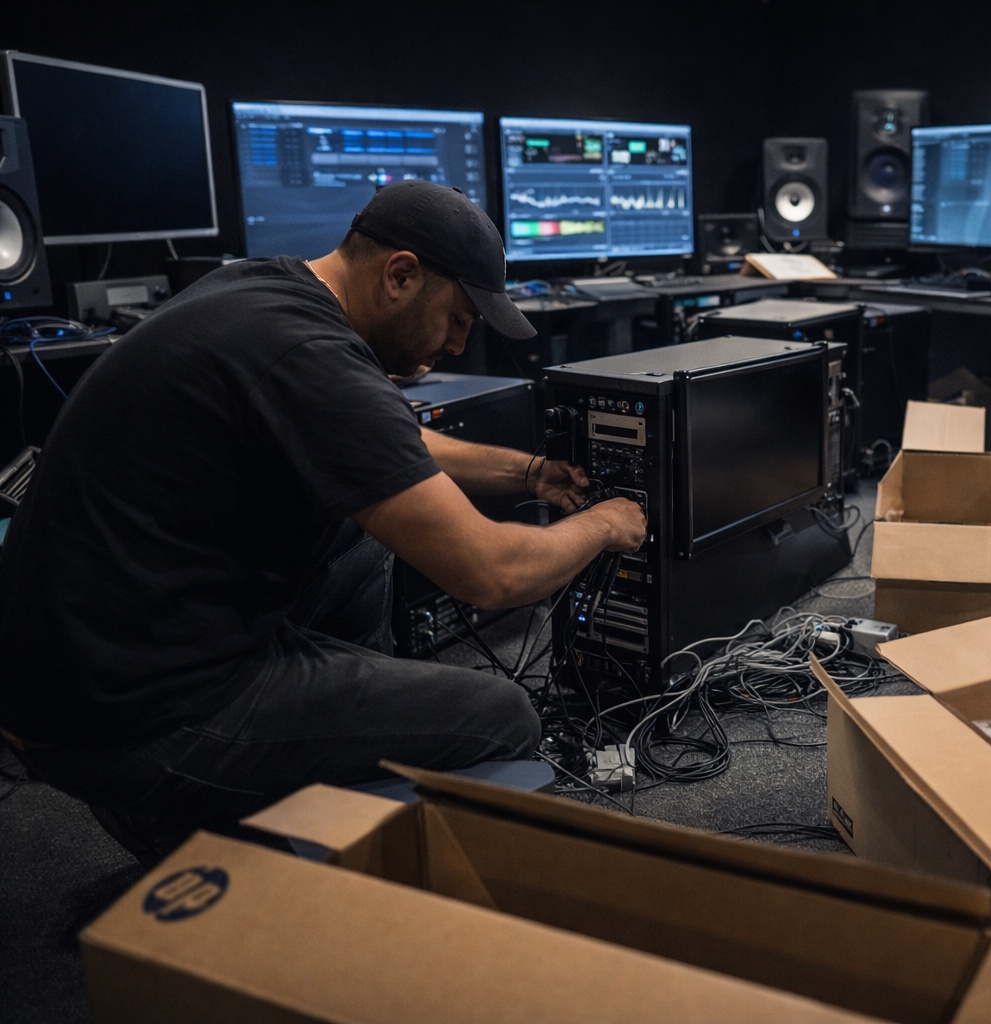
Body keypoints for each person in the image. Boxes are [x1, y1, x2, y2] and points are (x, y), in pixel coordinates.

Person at [0, 181, 646, 859]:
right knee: (502, 718)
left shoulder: (267, 291)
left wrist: (526, 472)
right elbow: (493, 574)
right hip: (130, 715)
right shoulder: (308, 353)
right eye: (458, 318)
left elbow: (390, 446)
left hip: (87, 659)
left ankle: (333, 748)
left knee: (361, 540)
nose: (459, 344)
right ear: (400, 275)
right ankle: (202, 820)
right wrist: (606, 524)